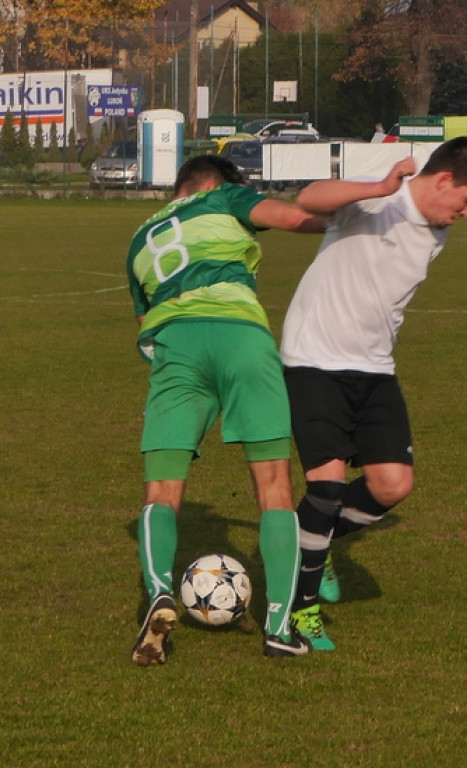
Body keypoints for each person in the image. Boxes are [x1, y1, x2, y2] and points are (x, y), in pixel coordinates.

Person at [280, 137, 467, 651]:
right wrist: (379, 185)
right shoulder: (379, 200)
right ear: (444, 180)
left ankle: (313, 540)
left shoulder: (436, 233)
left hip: (374, 368)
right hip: (314, 359)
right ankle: (301, 613)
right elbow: (309, 199)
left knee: (392, 487)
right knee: (327, 489)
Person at [127, 155, 326, 666]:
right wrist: (355, 222)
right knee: (273, 484)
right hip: (240, 337)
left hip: (176, 345)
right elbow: (289, 217)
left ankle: (158, 594)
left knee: (161, 490)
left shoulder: (138, 243)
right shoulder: (221, 198)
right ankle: (279, 628)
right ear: (215, 184)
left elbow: (145, 324)